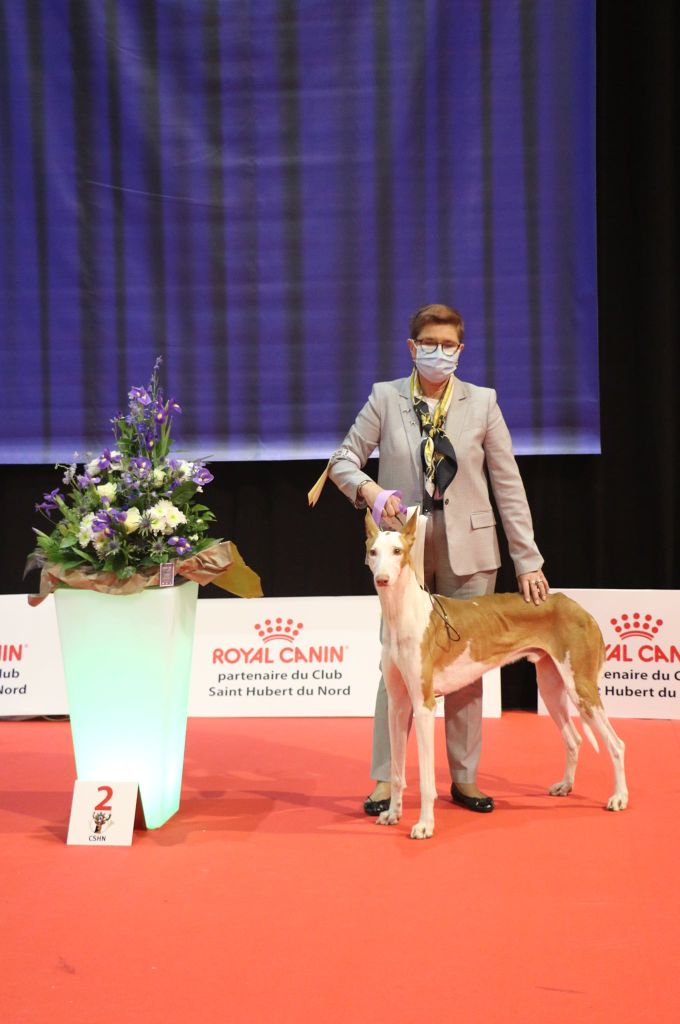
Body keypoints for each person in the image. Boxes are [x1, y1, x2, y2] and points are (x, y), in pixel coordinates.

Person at [327, 303, 548, 815]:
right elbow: (342, 460)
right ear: (412, 347)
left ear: (461, 350)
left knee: (467, 667)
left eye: (449, 346)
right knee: (396, 668)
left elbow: (508, 485)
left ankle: (465, 778)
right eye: (431, 344)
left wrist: (528, 559)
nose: (440, 353)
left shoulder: (483, 402)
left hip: (471, 551)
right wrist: (372, 493)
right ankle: (387, 779)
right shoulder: (385, 397)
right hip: (403, 553)